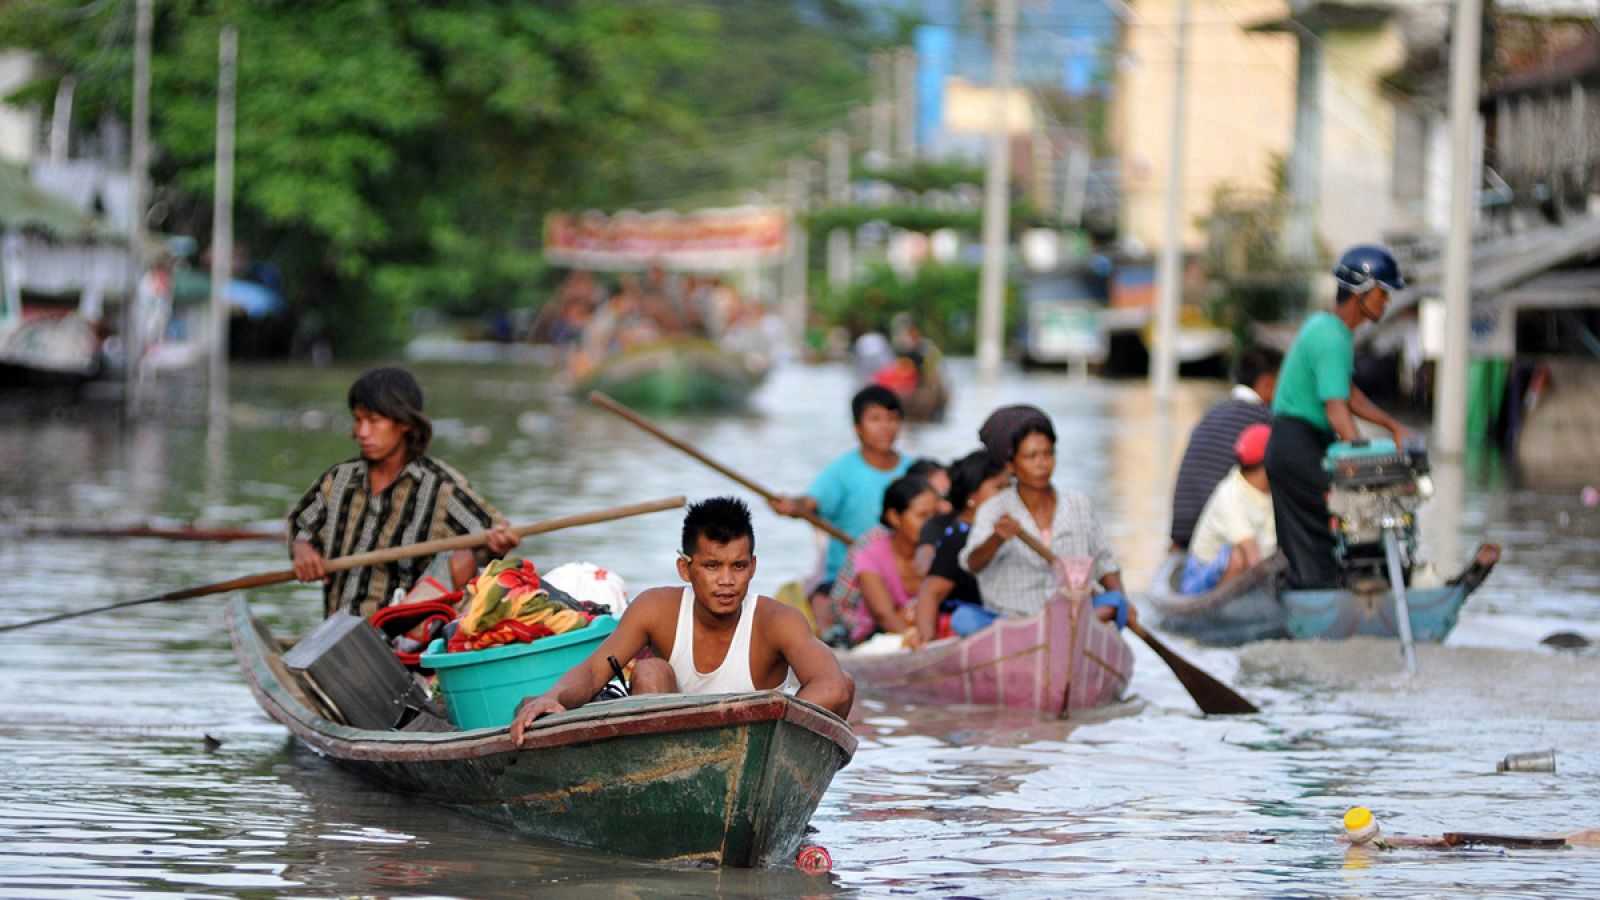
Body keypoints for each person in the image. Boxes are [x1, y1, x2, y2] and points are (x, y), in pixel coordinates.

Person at [507, 497, 854, 742]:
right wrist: (553, 697)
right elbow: (596, 670)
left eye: (738, 566)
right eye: (712, 566)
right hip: (676, 749)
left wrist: (758, 740)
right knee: (649, 671)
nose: (727, 581)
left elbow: (833, 687)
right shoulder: (656, 608)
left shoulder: (778, 619)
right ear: (686, 569)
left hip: (763, 751)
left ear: (753, 567)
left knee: (846, 682)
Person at [288, 367, 520, 617]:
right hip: (335, 635)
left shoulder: (441, 488)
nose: (363, 432)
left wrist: (499, 543)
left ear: (405, 423)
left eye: (374, 420)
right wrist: (303, 550)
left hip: (401, 636)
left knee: (463, 557)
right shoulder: (338, 481)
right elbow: (299, 526)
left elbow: (491, 532)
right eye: (358, 420)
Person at [1265, 244, 1413, 590]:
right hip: (1296, 444)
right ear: (1361, 292)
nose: (1386, 302)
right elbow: (1337, 411)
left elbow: (1348, 395)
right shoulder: (1332, 338)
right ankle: (1320, 595)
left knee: (1320, 531)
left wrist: (1391, 426)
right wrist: (1359, 455)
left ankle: (1326, 587)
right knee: (1331, 522)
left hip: (1293, 444)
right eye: (1382, 293)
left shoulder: (1327, 328)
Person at [959, 405, 1132, 627]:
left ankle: (1068, 626)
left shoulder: (1077, 504)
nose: (1042, 464)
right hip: (1015, 621)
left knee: (1114, 602)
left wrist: (1123, 604)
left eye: (1048, 454)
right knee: (964, 619)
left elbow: (1105, 563)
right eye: (1031, 457)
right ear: (1010, 465)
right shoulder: (994, 510)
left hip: (1073, 615)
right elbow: (972, 564)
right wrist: (996, 539)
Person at [769, 386, 912, 626]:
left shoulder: (914, 471)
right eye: (876, 419)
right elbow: (809, 504)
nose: (886, 427)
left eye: (892, 419)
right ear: (858, 427)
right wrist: (793, 506)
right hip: (846, 580)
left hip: (901, 579)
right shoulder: (841, 472)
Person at [1169, 345, 1282, 550]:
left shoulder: (1212, 412)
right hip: (1221, 529)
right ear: (1268, 383)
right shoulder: (1263, 420)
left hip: (1182, 529)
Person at [824, 475, 941, 649]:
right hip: (881, 636)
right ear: (894, 517)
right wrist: (916, 641)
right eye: (922, 516)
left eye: (935, 515)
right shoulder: (871, 554)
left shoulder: (943, 547)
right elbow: (884, 616)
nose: (932, 524)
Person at [911, 449, 1012, 641]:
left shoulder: (1015, 530)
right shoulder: (959, 536)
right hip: (969, 627)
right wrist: (925, 640)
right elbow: (930, 593)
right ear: (972, 495)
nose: (1008, 496)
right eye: (999, 488)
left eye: (1010, 487)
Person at [1182, 424, 1277, 594]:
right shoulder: (1230, 495)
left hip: (1252, 569)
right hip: (1201, 580)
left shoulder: (1270, 491)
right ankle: (1219, 616)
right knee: (1238, 556)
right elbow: (1252, 557)